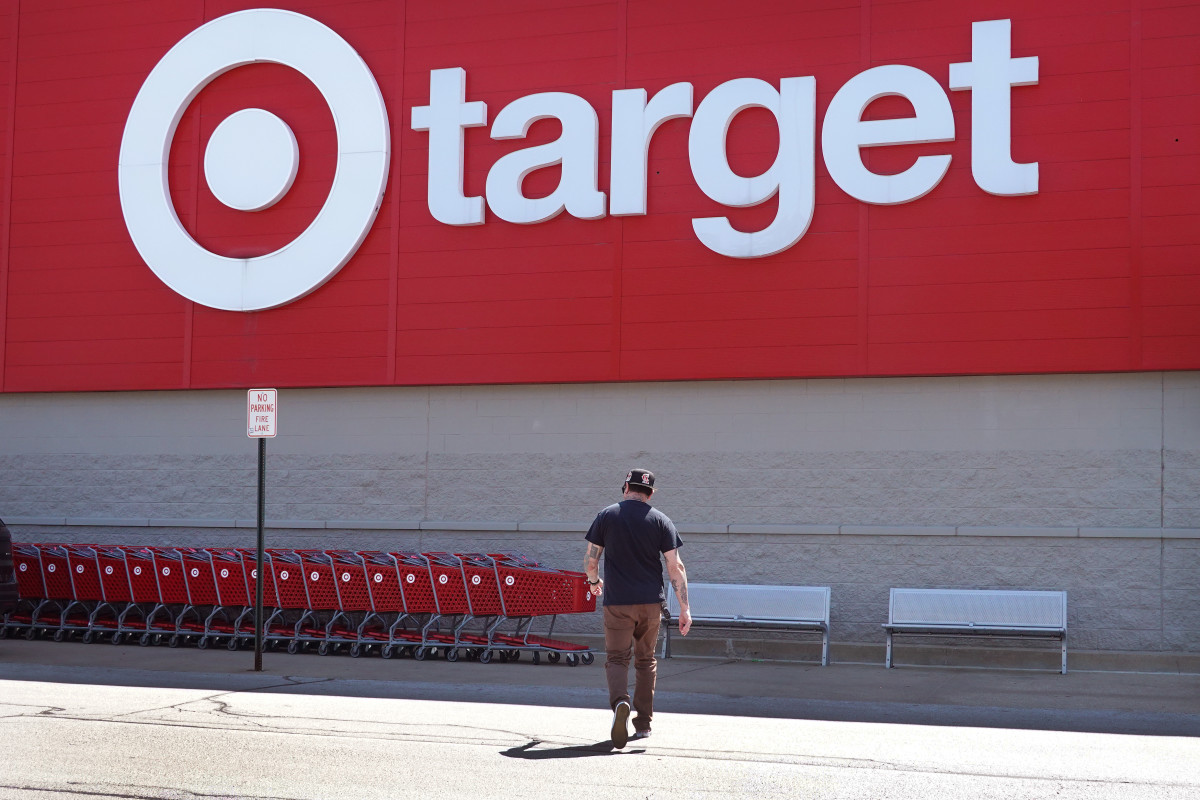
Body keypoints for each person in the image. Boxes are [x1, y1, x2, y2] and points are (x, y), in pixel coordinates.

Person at [584, 468, 691, 748]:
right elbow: (675, 567)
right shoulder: (661, 521)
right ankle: (643, 724)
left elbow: (591, 560)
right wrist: (684, 608)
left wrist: (594, 582)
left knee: (617, 659)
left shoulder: (606, 516)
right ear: (651, 493)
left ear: (624, 488)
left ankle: (621, 702)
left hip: (617, 603)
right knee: (646, 662)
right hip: (650, 605)